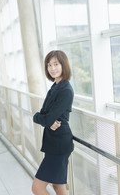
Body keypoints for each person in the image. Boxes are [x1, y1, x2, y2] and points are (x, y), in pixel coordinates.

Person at [32, 50, 74, 195]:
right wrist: (42, 118)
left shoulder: (66, 90)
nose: (52, 68)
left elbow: (45, 117)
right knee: (58, 186)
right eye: (49, 65)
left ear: (64, 65)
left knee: (37, 187)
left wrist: (41, 118)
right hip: (53, 143)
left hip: (59, 145)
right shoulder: (55, 87)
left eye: (56, 64)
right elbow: (43, 115)